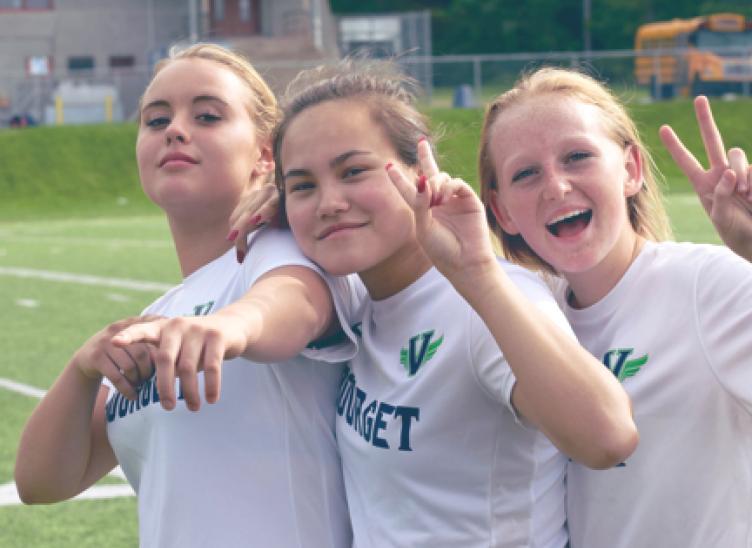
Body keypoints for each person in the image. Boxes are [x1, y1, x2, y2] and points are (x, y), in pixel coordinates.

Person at [222, 61, 637, 547]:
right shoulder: (364, 302)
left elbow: (606, 437)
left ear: (421, 173)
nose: (330, 202)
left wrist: (478, 278)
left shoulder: (484, 300)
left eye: (353, 171)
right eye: (304, 185)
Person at [14, 44, 356, 548]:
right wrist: (81, 369)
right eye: (155, 120)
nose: (175, 129)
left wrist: (225, 328)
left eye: (207, 115)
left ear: (265, 154)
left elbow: (297, 302)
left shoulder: (279, 248)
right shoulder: (161, 315)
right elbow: (42, 482)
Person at [478, 67, 752, 548]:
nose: (556, 187)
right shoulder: (523, 317)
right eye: (526, 173)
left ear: (630, 170)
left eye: (577, 157)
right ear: (501, 213)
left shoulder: (706, 287)